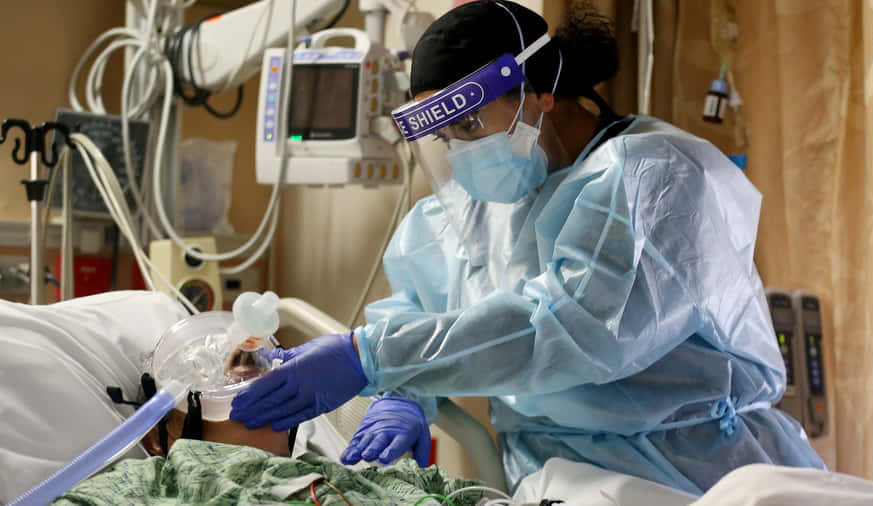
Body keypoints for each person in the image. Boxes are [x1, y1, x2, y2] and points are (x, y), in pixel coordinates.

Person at [230, 0, 825, 494]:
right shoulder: (467, 209)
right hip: (546, 476)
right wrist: (402, 393)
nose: (459, 152)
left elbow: (569, 327)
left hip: (691, 472)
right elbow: (419, 309)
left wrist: (369, 355)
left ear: (540, 92)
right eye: (444, 135)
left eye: (467, 126)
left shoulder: (652, 178)